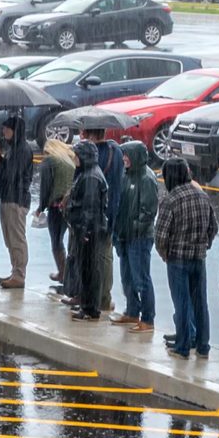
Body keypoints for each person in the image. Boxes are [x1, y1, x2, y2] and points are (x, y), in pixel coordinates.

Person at [152, 157, 218, 359]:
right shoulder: (202, 196)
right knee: (200, 302)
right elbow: (213, 228)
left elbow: (160, 235)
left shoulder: (170, 200)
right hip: (199, 258)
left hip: (177, 259)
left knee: (181, 303)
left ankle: (182, 346)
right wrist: (204, 244)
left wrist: (165, 255)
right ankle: (203, 345)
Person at [61, 138, 112, 320]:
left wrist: (85, 231)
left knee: (89, 270)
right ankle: (87, 305)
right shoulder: (87, 173)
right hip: (86, 229)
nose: (74, 158)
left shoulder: (90, 176)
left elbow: (89, 208)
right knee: (87, 270)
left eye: (77, 155)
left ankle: (90, 307)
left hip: (88, 231)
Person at [112, 140, 158, 332]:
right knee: (127, 277)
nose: (124, 159)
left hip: (138, 238)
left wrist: (134, 228)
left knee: (141, 279)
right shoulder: (126, 175)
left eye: (127, 155)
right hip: (124, 235)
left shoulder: (146, 179)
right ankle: (132, 311)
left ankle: (148, 318)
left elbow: (148, 211)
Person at [83, 127, 125, 316]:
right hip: (112, 209)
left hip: (97, 213)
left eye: (84, 133)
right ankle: (104, 297)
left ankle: (98, 298)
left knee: (95, 258)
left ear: (92, 135)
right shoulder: (116, 151)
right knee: (105, 256)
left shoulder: (94, 155)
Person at [0, 115, 37, 289]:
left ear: (15, 131)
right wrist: (2, 159)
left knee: (16, 238)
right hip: (8, 197)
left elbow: (11, 175)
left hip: (16, 199)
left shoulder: (22, 150)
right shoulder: (14, 148)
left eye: (7, 128)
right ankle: (15, 271)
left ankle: (19, 274)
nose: (4, 131)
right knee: (9, 238)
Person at [38, 132, 78, 300]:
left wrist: (41, 207)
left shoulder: (49, 162)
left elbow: (45, 187)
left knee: (56, 242)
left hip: (56, 206)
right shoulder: (70, 160)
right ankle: (70, 274)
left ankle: (62, 273)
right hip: (72, 205)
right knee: (71, 242)